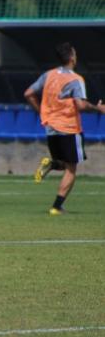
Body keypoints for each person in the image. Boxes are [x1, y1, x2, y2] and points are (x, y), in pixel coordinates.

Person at [24, 42, 105, 215]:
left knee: (63, 163)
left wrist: (42, 112)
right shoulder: (76, 79)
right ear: (71, 57)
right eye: (75, 53)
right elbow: (81, 105)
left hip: (50, 127)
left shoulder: (49, 75)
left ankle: (51, 164)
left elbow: (28, 93)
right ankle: (56, 207)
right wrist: (98, 108)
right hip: (69, 128)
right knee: (71, 168)